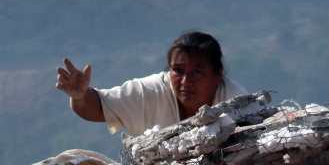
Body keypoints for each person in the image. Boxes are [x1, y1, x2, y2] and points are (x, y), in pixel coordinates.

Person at [55, 31, 245, 136]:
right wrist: (80, 96)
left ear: (217, 76)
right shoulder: (150, 91)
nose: (186, 81)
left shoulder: (238, 103)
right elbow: (98, 107)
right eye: (178, 71)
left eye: (197, 72)